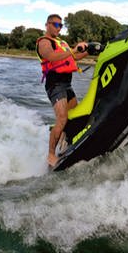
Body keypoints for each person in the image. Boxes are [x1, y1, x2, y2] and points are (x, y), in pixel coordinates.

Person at [36, 14, 89, 167]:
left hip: (67, 84)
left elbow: (74, 58)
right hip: (55, 85)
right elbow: (52, 56)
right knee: (62, 118)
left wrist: (90, 49)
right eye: (55, 24)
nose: (58, 28)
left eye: (61, 25)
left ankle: (65, 141)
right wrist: (73, 50)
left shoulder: (62, 43)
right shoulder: (44, 42)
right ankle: (51, 155)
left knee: (74, 116)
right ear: (47, 24)